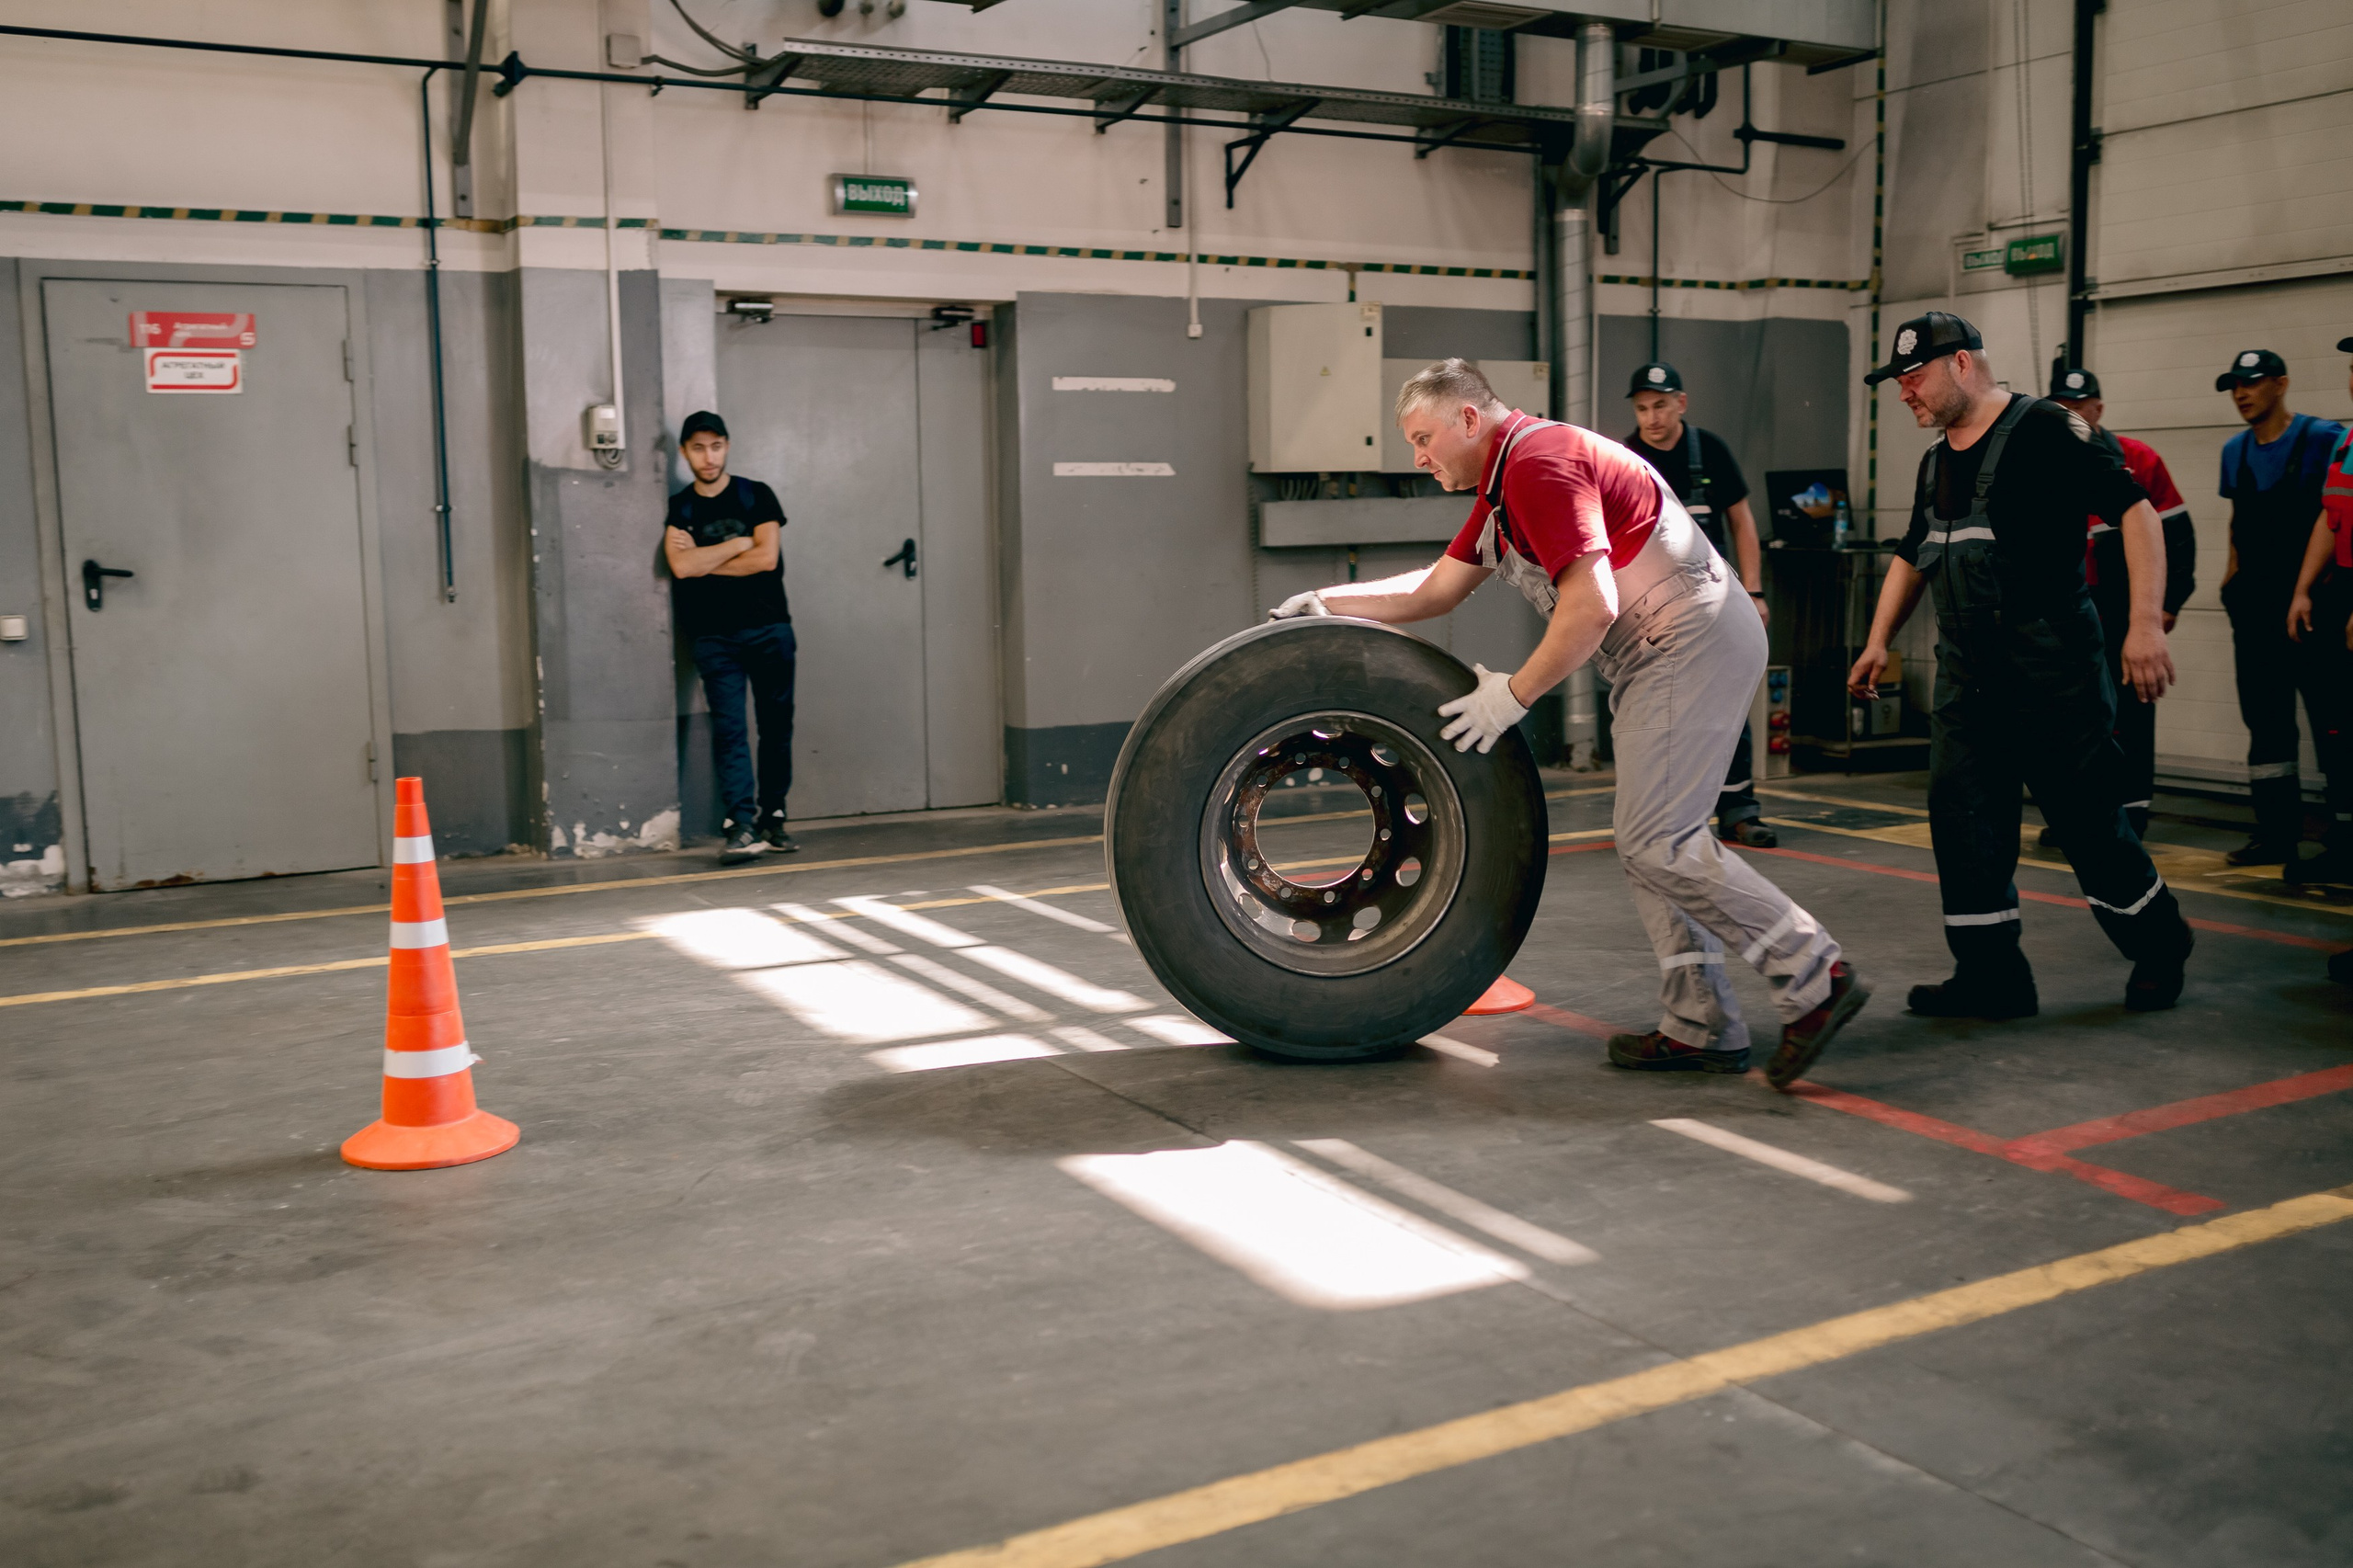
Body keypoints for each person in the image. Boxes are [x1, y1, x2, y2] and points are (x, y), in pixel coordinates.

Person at [1269, 359, 1867, 1088]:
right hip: (1662, 650)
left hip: (1688, 639)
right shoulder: (1502, 490)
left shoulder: (1540, 466)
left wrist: (1512, 697)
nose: (1419, 459)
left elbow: (1593, 606)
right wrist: (1329, 601)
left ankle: (1815, 973)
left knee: (1658, 840)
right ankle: (1700, 1025)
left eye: (1424, 439)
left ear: (1468, 419)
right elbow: (1433, 591)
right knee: (1656, 841)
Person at [1847, 312, 2195, 1017]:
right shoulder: (1935, 459)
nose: (1905, 393)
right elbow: (1916, 555)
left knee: (2087, 825)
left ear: (1963, 364)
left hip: (2051, 672)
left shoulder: (2049, 430)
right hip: (1968, 677)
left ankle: (2160, 945)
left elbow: (2136, 513)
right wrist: (1878, 640)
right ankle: (1992, 976)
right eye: (1900, 382)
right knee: (1964, 819)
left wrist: (2145, 626)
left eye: (1913, 378)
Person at [1620, 361, 1777, 847]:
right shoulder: (1623, 459)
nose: (1652, 418)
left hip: (1716, 603)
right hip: (1652, 613)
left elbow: (1743, 523)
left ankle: (1739, 810)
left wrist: (1753, 591)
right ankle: (1664, 817)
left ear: (1681, 404)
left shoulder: (1709, 451)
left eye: (1661, 406)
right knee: (1658, 711)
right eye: (1643, 408)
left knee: (1726, 705)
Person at [2041, 367, 2197, 844]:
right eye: (2061, 405)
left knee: (2130, 711)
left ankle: (2131, 811)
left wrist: (2165, 606)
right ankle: (2078, 814)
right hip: (2067, 615)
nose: (2071, 413)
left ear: (2099, 409)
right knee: (2071, 717)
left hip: (2123, 613)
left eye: (2080, 404)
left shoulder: (2137, 459)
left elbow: (2178, 535)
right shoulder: (2040, 464)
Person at [2214, 349, 2346, 866]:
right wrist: (2230, 577)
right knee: (2265, 722)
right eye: (2234, 386)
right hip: (2254, 608)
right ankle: (2276, 834)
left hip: (2313, 607)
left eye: (2252, 383)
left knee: (2333, 721)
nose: (2241, 394)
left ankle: (2345, 840)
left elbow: (2341, 514)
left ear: (2282, 384)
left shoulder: (2324, 439)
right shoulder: (2235, 451)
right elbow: (2236, 520)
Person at [664, 410, 798, 864]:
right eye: (698, 448)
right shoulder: (681, 507)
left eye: (716, 446)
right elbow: (681, 568)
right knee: (730, 731)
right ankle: (742, 826)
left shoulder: (756, 495)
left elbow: (765, 559)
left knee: (776, 728)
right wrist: (738, 544)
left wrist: (706, 559)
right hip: (713, 637)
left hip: (769, 628)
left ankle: (773, 819)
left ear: (727, 446)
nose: (708, 456)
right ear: (685, 452)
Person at [2279, 335, 2353, 887]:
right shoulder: (2349, 441)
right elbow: (2330, 518)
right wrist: (2304, 588)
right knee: (2337, 727)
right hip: (2339, 592)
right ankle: (2344, 842)